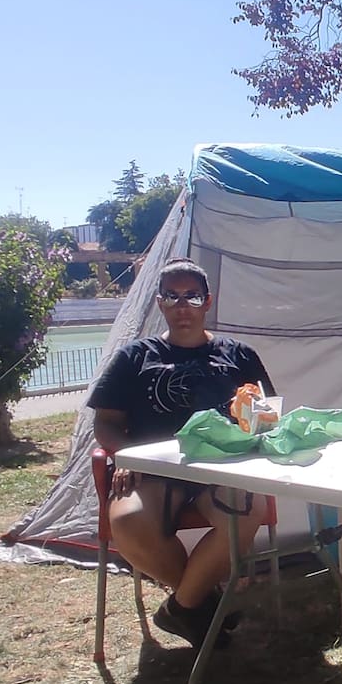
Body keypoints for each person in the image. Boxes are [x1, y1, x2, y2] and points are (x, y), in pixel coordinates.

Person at [89, 258, 275, 649]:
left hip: (221, 468)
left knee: (247, 510)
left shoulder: (239, 354)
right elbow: (105, 423)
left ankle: (182, 608)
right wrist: (127, 456)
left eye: (191, 296)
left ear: (208, 301)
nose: (182, 305)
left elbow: (267, 413)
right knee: (128, 519)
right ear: (159, 302)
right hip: (152, 469)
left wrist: (256, 429)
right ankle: (202, 604)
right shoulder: (134, 357)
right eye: (172, 296)